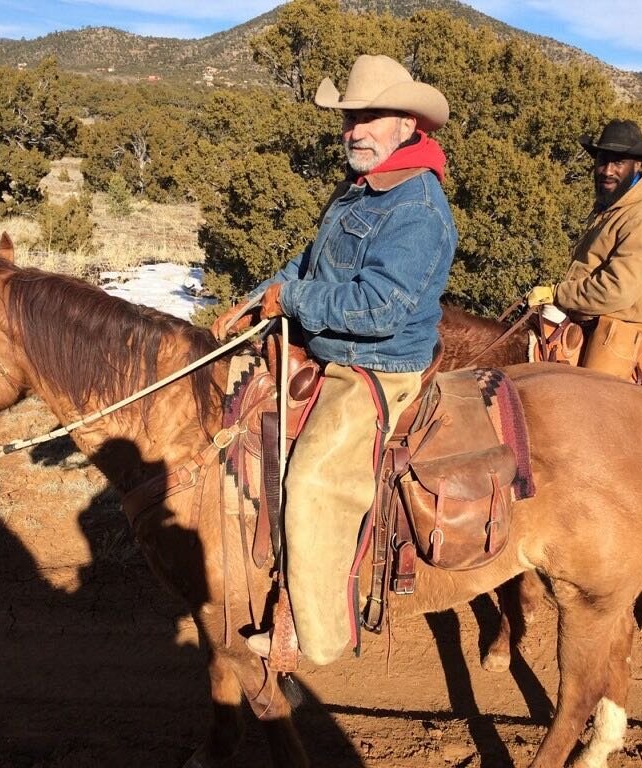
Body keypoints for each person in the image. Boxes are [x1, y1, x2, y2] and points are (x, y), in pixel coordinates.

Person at [211, 54, 457, 666]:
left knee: (315, 480)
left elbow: (380, 308)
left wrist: (289, 300)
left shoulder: (418, 208)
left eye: (370, 117)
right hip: (328, 346)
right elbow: (311, 264)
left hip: (376, 366)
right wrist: (257, 300)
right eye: (350, 117)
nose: (355, 130)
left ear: (407, 123)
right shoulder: (361, 190)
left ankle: (315, 636)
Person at [527, 119, 642, 380]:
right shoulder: (612, 208)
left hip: (621, 329)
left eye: (618, 162)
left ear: (638, 164)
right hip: (587, 317)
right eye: (602, 160)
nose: (607, 170)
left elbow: (617, 291)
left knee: (593, 408)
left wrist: (557, 293)